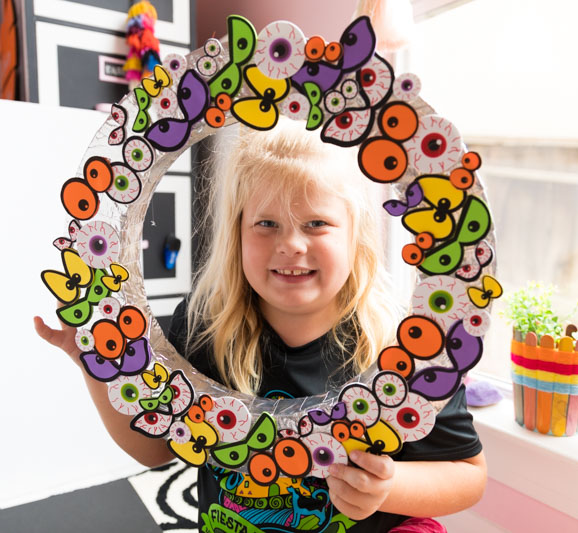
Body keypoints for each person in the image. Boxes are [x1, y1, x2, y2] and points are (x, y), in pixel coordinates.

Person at [35, 119, 487, 533]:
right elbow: (155, 449)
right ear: (237, 234)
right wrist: (97, 366)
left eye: (316, 224)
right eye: (266, 224)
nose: (290, 244)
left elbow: (467, 477)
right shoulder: (201, 328)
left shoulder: (401, 347)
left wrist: (390, 488)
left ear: (357, 235)